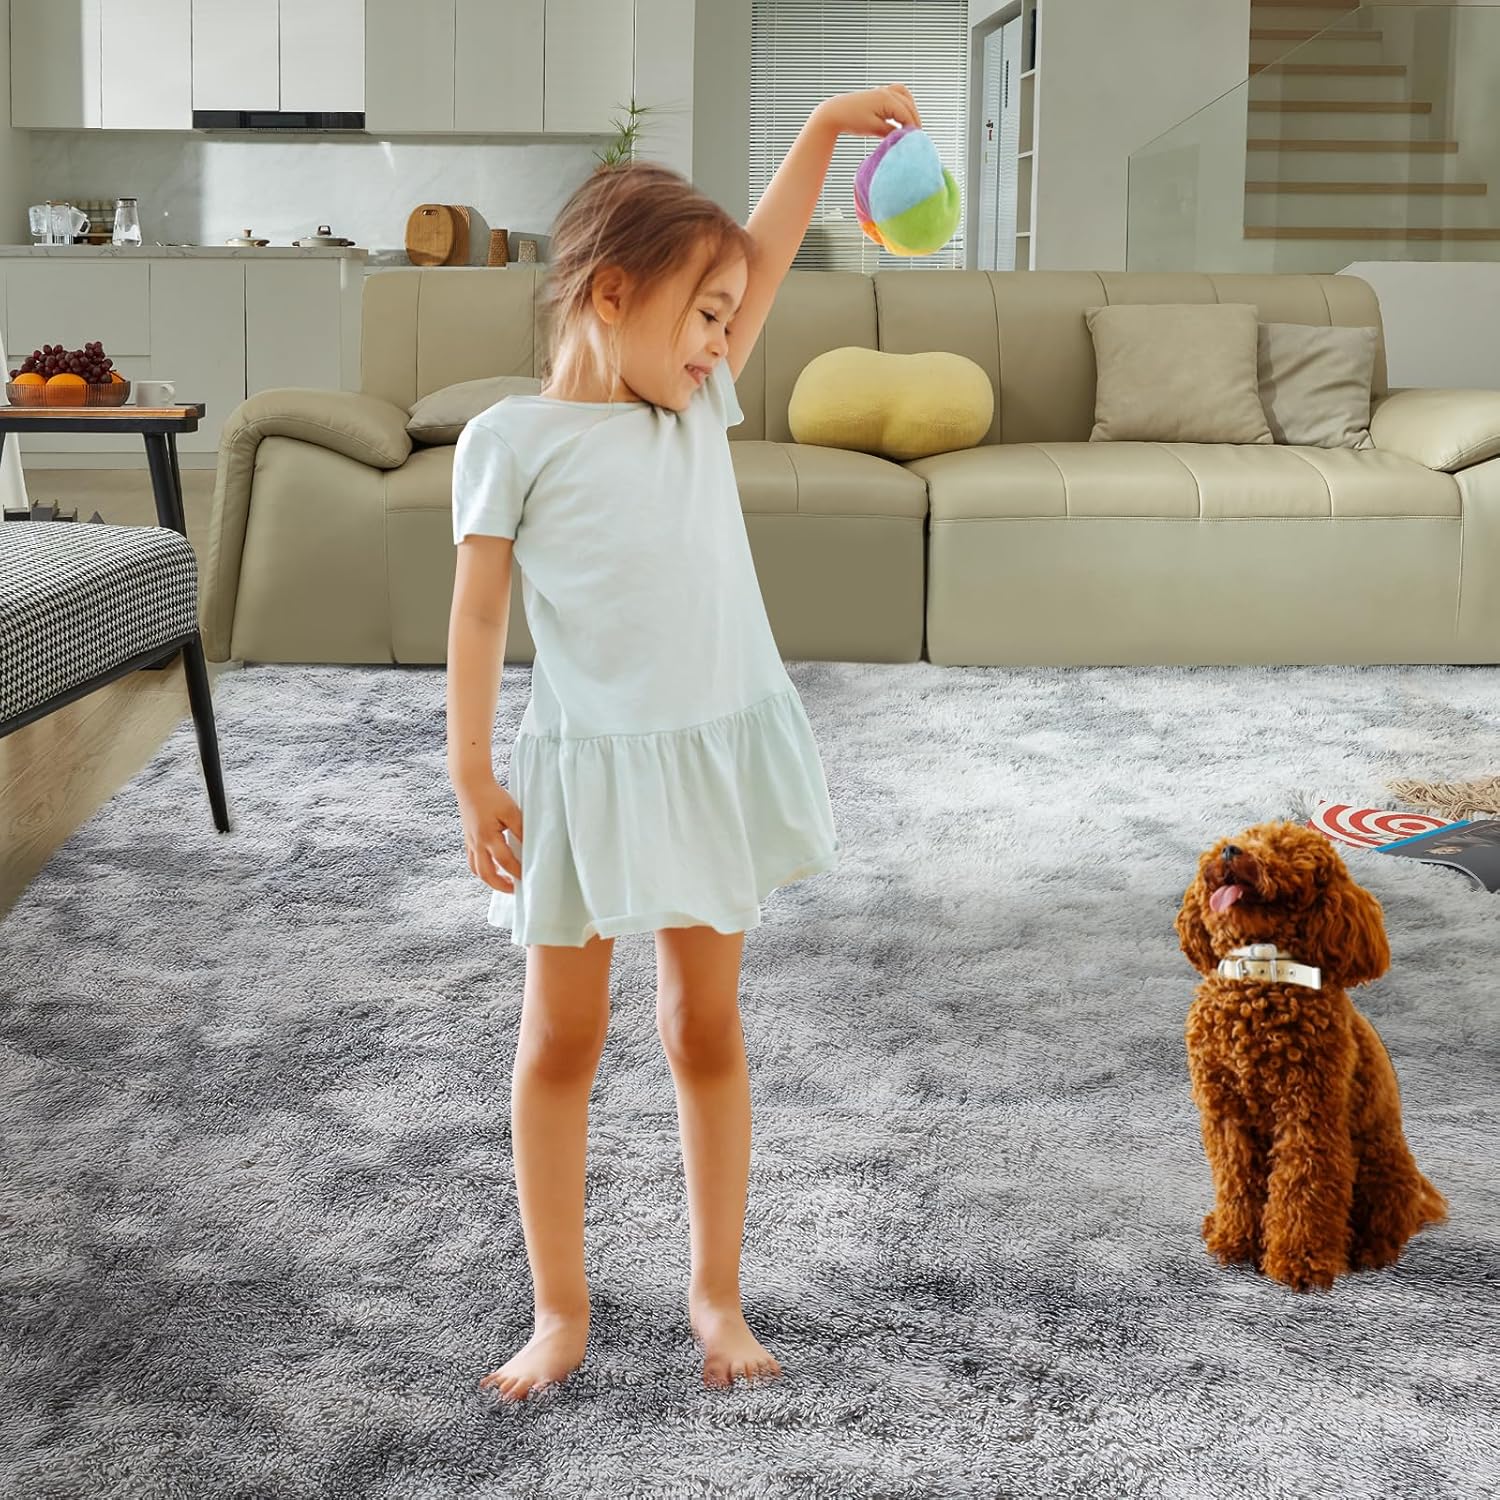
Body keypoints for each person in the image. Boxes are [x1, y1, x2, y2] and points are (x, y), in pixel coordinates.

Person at [446, 84, 924, 1401]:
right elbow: (478, 613)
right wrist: (472, 769)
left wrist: (824, 132)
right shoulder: (510, 441)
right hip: (586, 779)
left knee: (704, 1027)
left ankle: (717, 1295)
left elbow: (759, 255)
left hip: (709, 762)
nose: (722, 342)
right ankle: (561, 1309)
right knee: (561, 1041)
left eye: (728, 319)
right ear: (611, 295)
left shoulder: (693, 411)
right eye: (702, 317)